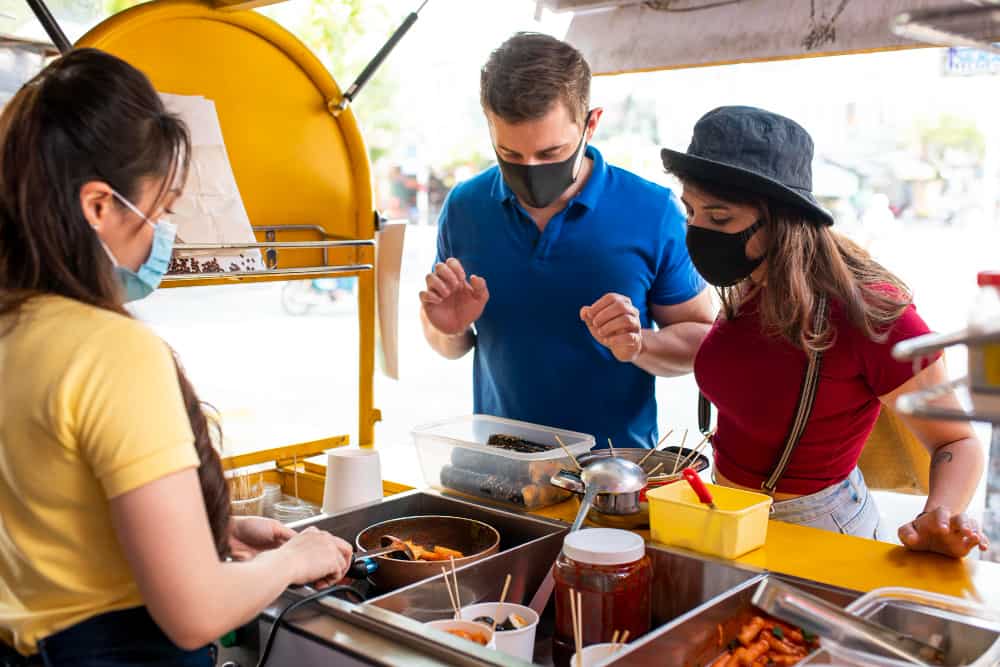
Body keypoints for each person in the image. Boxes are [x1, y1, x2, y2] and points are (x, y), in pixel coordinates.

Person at [0, 49, 354, 666]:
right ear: (99, 207)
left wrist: (212, 533)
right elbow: (194, 614)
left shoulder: (14, 325)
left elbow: (52, 519)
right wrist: (294, 559)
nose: (168, 232)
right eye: (162, 209)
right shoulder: (110, 352)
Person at [661, 105, 988, 558]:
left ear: (782, 220)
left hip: (817, 529)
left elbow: (956, 439)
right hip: (728, 512)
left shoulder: (867, 312)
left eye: (719, 219)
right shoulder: (748, 282)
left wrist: (942, 514)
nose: (697, 231)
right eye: (690, 211)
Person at [420, 33, 714, 448]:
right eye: (511, 154)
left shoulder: (651, 210)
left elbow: (703, 338)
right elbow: (449, 343)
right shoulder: (465, 207)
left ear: (590, 124)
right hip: (498, 466)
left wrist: (638, 344)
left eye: (550, 152)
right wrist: (448, 330)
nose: (530, 169)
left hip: (612, 479)